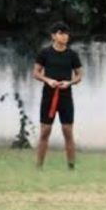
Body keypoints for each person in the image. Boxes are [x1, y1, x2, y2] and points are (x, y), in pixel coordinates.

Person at [34, 22, 83, 169]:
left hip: (65, 96)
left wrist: (70, 82)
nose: (65, 36)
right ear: (54, 36)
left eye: (66, 34)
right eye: (61, 33)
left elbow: (79, 75)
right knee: (45, 131)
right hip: (49, 95)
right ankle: (39, 166)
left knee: (67, 131)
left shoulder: (72, 55)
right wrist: (48, 80)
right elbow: (36, 72)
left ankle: (71, 166)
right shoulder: (45, 53)